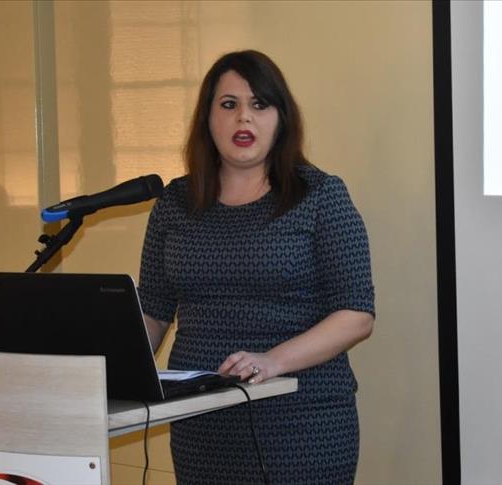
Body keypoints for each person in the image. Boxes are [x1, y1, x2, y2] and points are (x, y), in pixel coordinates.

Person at [138, 50, 375, 484]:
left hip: (302, 423)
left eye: (259, 104)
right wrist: (111, 372)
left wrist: (271, 361)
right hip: (201, 425)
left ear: (281, 118)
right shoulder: (174, 203)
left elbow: (357, 314)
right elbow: (153, 310)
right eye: (228, 104)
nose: (243, 117)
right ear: (207, 118)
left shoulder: (321, 196)